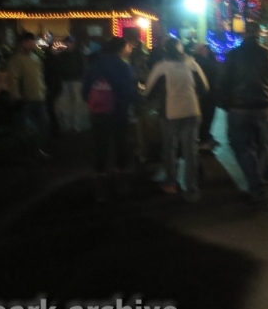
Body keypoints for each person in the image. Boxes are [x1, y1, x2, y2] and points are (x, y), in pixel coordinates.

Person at [219, 21, 268, 210]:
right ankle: (261, 178)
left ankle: (256, 186)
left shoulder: (233, 55)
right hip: (264, 108)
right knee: (263, 144)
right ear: (259, 34)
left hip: (239, 109)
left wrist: (225, 105)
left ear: (244, 34)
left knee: (243, 148)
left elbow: (222, 82)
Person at [146, 38, 209, 202]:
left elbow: (148, 90)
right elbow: (204, 87)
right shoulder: (192, 64)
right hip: (192, 111)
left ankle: (171, 183)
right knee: (190, 150)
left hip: (170, 113)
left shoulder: (161, 67)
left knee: (170, 148)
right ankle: (192, 189)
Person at [82, 37, 136, 202]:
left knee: (100, 146)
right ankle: (121, 180)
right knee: (121, 144)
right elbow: (129, 90)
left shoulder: (95, 65)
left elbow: (85, 89)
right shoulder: (124, 66)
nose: (129, 49)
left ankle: (101, 184)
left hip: (99, 112)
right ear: (120, 49)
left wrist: (94, 103)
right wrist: (131, 106)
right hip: (119, 112)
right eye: (127, 46)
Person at [7, 33, 50, 158]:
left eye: (33, 41)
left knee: (42, 125)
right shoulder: (16, 60)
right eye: (29, 41)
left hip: (38, 97)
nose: (32, 44)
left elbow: (39, 77)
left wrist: (44, 90)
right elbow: (13, 80)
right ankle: (25, 152)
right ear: (23, 43)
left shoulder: (36, 57)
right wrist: (16, 97)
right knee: (24, 128)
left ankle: (35, 149)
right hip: (24, 100)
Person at [192, 43, 219, 151]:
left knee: (206, 117)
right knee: (206, 117)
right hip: (206, 95)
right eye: (205, 48)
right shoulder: (201, 62)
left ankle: (205, 137)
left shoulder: (198, 61)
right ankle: (204, 139)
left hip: (206, 95)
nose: (207, 50)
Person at [58, 36, 85, 132]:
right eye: (67, 43)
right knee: (71, 102)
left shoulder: (75, 54)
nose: (68, 44)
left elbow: (83, 67)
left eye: (70, 43)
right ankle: (72, 125)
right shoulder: (77, 54)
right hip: (69, 80)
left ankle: (73, 125)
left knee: (72, 102)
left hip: (74, 80)